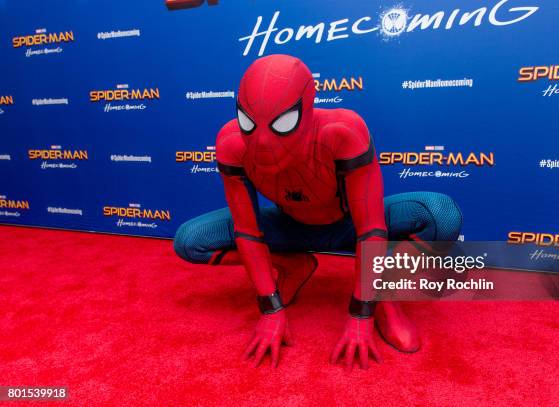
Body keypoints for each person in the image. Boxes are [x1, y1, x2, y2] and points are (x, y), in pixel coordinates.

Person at [174, 54, 462, 370]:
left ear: (307, 108)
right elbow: (247, 229)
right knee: (190, 241)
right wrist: (270, 309)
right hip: (291, 225)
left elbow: (371, 228)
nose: (263, 142)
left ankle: (385, 294)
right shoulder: (231, 143)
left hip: (349, 223)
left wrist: (361, 313)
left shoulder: (342, 130)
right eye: (249, 123)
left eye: (282, 124)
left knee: (440, 214)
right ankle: (293, 266)